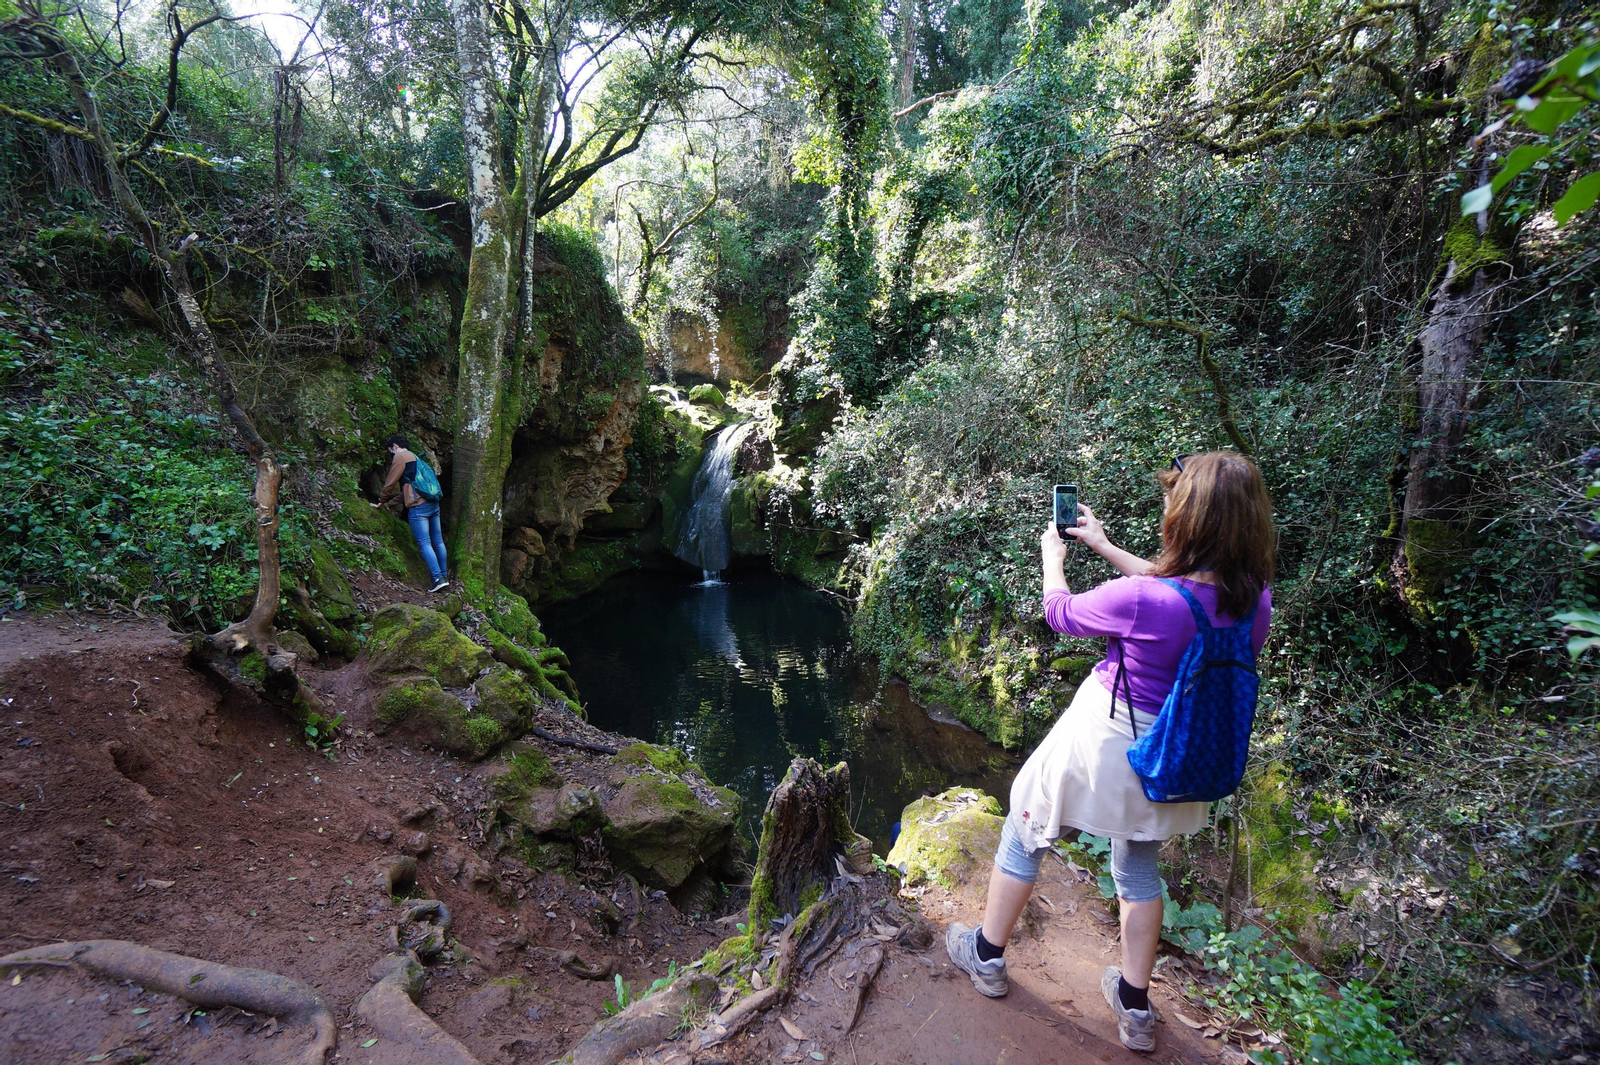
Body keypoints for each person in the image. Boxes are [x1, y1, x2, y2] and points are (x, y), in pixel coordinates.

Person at [945, 451, 1275, 1053]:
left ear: (1189, 519)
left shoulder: (1139, 599)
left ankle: (986, 956)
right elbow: (1183, 595)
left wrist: (1054, 558)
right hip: (1174, 755)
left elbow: (1060, 614)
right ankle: (1134, 1006)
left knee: (1024, 825)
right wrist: (1101, 542)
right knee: (1138, 867)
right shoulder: (1255, 603)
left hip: (1107, 742)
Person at [373, 433, 450, 593]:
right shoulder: (416, 459)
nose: (391, 454)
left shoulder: (400, 457)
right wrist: (391, 503)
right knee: (438, 541)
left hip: (419, 506)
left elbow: (390, 483)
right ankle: (444, 576)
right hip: (433, 503)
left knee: (424, 543)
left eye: (390, 451)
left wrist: (381, 501)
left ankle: (438, 578)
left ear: (394, 446)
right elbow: (409, 488)